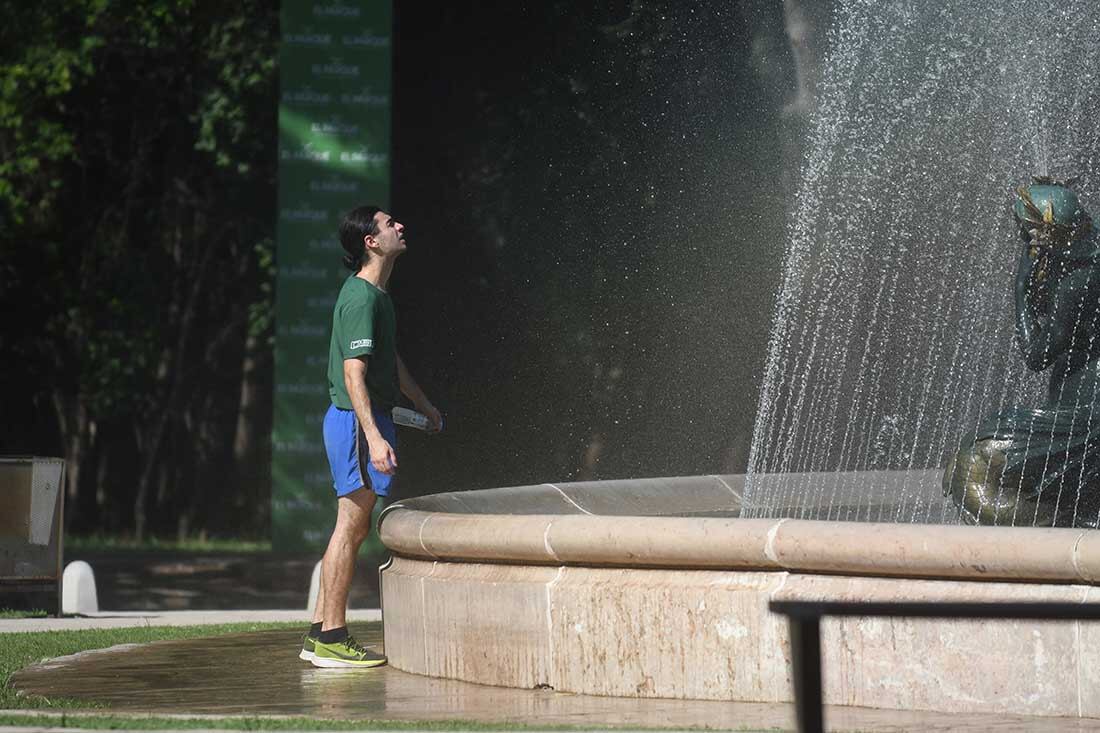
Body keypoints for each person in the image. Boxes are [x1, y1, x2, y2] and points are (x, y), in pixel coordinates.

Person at [300, 205, 442, 668]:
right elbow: (353, 373)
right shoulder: (361, 297)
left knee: (354, 526)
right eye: (388, 224)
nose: (400, 225)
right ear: (371, 242)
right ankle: (333, 638)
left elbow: (390, 361)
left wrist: (422, 403)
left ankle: (318, 632)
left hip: (366, 421)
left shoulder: (378, 297)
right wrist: (374, 438)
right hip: (356, 423)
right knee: (349, 526)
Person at [944, 179, 1100, 527]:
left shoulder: (1079, 281)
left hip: (1089, 411)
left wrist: (1020, 291)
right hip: (1081, 397)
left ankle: (1062, 528)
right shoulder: (1088, 248)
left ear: (1042, 236)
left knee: (971, 464)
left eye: (1023, 232)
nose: (1020, 239)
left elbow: (1037, 355)